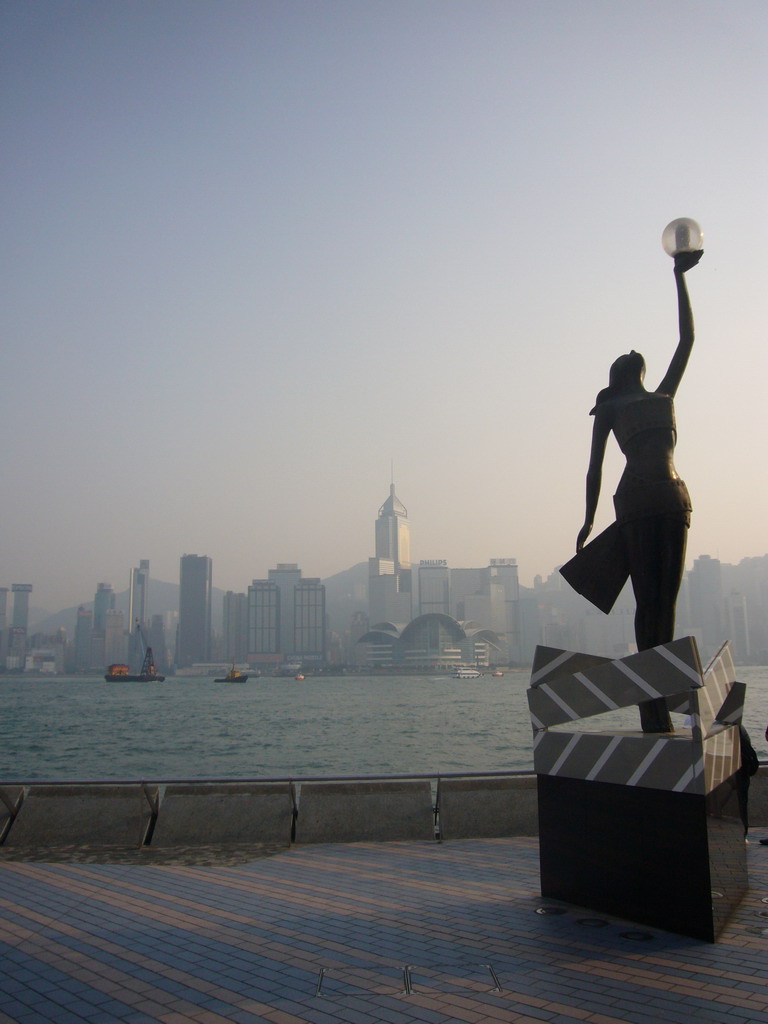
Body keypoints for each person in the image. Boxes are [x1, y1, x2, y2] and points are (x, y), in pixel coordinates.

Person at [561, 249, 703, 733]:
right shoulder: (611, 409)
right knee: (648, 603)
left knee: (667, 602)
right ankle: (652, 708)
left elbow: (687, 340)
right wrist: (587, 520)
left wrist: (679, 277)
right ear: (620, 376)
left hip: (674, 498)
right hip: (640, 500)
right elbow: (593, 469)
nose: (629, 351)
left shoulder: (664, 395)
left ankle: (658, 695)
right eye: (622, 357)